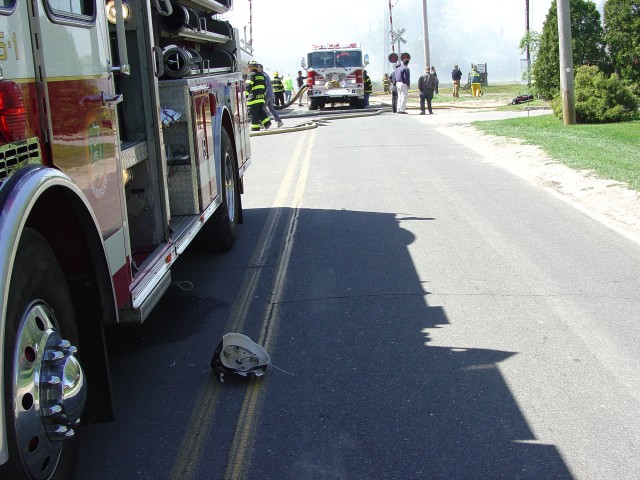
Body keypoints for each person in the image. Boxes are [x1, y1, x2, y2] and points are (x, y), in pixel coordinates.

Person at [245, 60, 271, 131]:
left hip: (253, 99)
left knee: (254, 113)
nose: (248, 69)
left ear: (252, 67)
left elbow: (248, 86)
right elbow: (264, 87)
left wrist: (245, 96)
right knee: (260, 111)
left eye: (248, 67)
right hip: (261, 98)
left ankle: (255, 127)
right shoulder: (262, 75)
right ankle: (267, 123)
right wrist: (262, 95)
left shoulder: (251, 75)